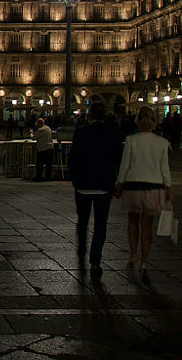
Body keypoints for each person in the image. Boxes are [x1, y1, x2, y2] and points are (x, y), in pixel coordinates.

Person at [115, 105, 172, 285]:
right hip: (154, 187)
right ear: (154, 122)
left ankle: (132, 255)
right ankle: (145, 261)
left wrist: (119, 183)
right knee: (147, 225)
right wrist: (169, 188)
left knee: (133, 222)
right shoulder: (162, 142)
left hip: (133, 186)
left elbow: (125, 164)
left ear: (137, 121)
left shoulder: (131, 140)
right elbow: (165, 168)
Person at [68, 100, 121, 278]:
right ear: (105, 115)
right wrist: (117, 181)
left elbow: (73, 157)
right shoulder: (112, 132)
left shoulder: (81, 132)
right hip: (104, 186)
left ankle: (81, 250)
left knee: (82, 220)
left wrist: (75, 179)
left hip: (83, 185)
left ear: (89, 115)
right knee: (100, 225)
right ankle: (95, 261)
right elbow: (117, 159)